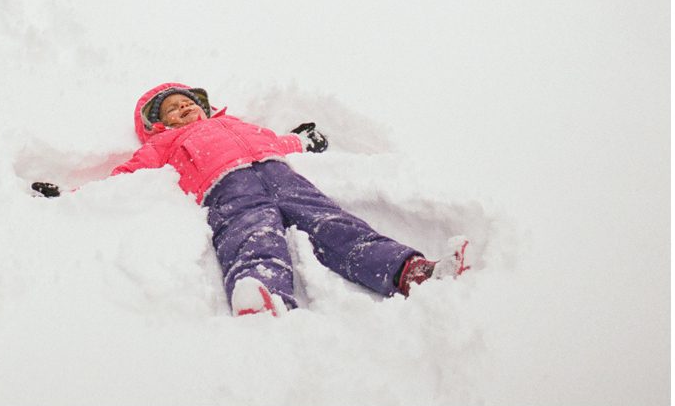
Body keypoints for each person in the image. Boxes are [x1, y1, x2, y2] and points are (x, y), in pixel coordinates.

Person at [32, 82, 469, 316]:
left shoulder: (238, 124)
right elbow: (125, 178)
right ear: (158, 125)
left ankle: (410, 271)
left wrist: (302, 142)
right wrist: (70, 193)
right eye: (172, 111)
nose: (184, 111)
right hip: (226, 188)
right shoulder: (162, 147)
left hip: (279, 175)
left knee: (332, 222)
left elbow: (275, 141)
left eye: (188, 103)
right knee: (251, 235)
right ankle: (264, 297)